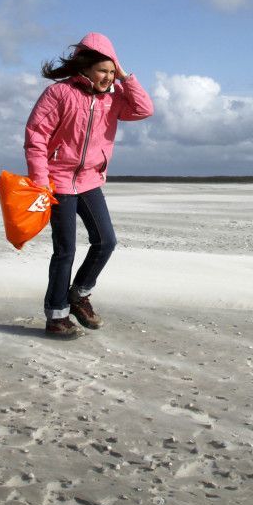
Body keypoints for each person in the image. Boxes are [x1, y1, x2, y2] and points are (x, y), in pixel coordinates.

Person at [24, 32, 154, 337]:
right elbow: (36, 138)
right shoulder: (59, 94)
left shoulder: (113, 99)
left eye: (112, 72)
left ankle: (78, 294)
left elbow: (144, 109)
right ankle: (56, 316)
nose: (108, 78)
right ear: (85, 68)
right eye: (103, 71)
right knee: (65, 250)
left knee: (106, 241)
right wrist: (41, 182)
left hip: (89, 181)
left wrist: (125, 77)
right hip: (57, 182)